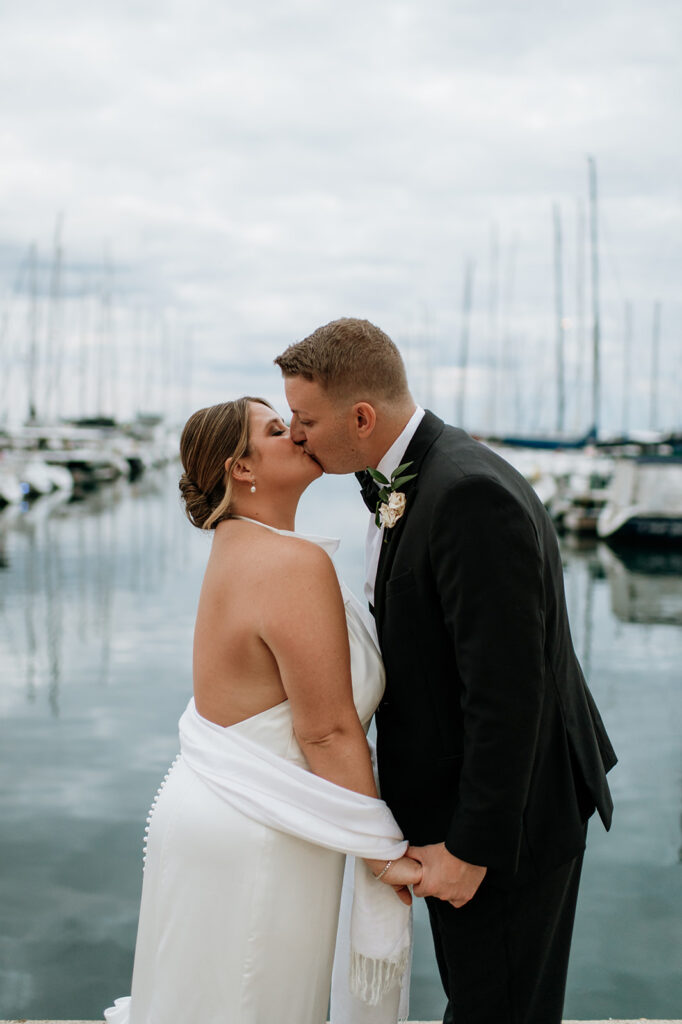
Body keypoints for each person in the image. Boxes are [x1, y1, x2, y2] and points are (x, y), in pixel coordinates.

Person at [275, 317, 618, 1024]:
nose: (295, 432)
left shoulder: (466, 495)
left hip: (510, 821)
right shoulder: (418, 477)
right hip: (475, 807)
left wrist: (471, 848)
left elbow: (508, 694)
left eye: (305, 419)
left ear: (363, 416)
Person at [104, 396, 421, 1024]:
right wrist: (384, 854)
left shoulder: (240, 546)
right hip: (260, 832)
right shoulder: (289, 562)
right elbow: (326, 731)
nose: (298, 433)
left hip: (222, 813)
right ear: (240, 469)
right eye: (277, 430)